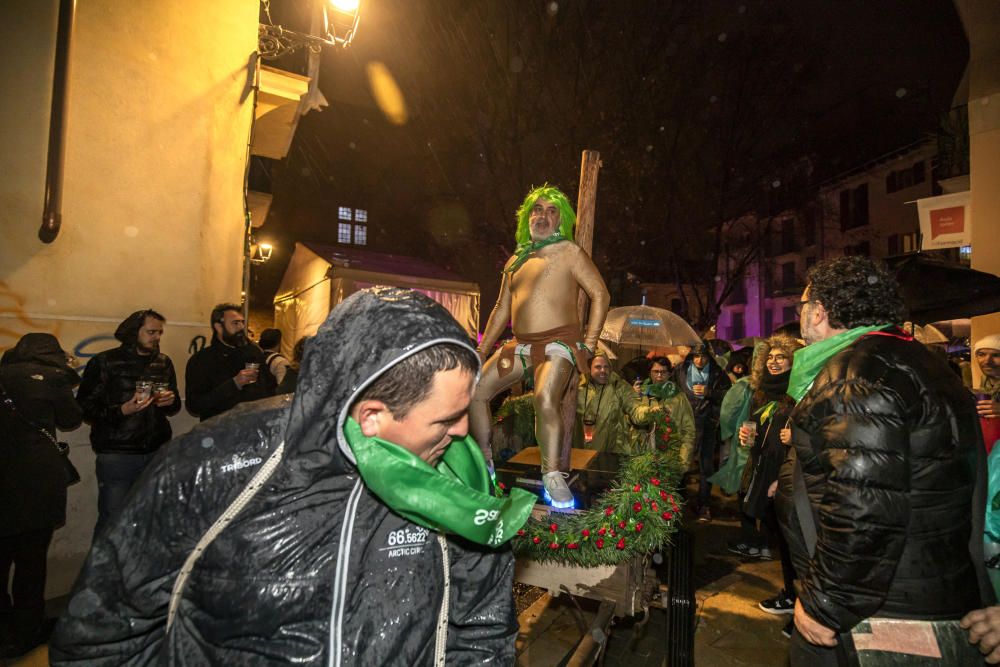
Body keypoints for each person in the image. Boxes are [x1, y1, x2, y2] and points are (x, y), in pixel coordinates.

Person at [50, 287, 535, 665]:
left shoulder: (460, 480)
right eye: (445, 419)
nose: (464, 430)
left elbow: (482, 632)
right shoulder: (217, 466)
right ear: (372, 416)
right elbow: (103, 635)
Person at [775, 256, 992, 665]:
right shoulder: (910, 360)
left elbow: (865, 506)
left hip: (883, 614)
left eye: (802, 307)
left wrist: (826, 602)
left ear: (819, 311)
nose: (800, 317)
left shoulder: (856, 372)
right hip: (920, 592)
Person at [470, 185, 610, 508]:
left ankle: (552, 475)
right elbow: (501, 311)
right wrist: (480, 351)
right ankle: (484, 461)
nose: (542, 216)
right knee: (476, 389)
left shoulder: (570, 251)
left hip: (560, 342)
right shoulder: (515, 261)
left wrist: (588, 344)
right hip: (520, 344)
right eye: (537, 209)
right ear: (527, 217)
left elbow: (600, 294)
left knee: (545, 396)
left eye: (551, 211)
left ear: (561, 219)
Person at [0, 334, 83, 659]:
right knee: (31, 561)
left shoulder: (4, 374)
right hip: (36, 479)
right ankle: (27, 629)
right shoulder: (52, 377)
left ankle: (4, 627)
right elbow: (71, 419)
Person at [76, 310, 180, 534]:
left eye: (160, 333)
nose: (157, 337)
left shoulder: (163, 362)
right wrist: (122, 410)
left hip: (156, 451)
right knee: (113, 519)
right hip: (118, 455)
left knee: (150, 517)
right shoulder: (105, 362)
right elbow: (84, 408)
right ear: (134, 333)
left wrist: (169, 402)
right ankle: (105, 569)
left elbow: (176, 406)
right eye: (151, 332)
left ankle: (140, 567)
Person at [184, 303, 274, 421]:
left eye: (242, 322)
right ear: (218, 327)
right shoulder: (201, 360)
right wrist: (234, 384)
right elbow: (194, 406)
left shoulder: (254, 353)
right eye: (235, 323)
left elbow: (271, 387)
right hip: (218, 432)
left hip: (254, 429)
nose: (242, 327)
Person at [674, 343, 731, 521]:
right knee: (682, 462)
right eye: (696, 356)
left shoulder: (717, 372)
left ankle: (704, 504)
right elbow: (671, 389)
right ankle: (679, 499)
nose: (700, 360)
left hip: (707, 423)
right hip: (685, 423)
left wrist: (710, 392)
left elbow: (727, 395)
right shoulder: (681, 370)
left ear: (709, 357)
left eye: (704, 356)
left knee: (706, 465)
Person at [630, 357, 696, 465]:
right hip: (642, 457)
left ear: (670, 374)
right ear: (649, 373)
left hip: (671, 456)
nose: (659, 376)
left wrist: (683, 462)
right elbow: (628, 421)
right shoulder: (641, 394)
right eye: (656, 372)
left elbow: (688, 431)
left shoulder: (678, 397)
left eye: (663, 372)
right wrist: (634, 397)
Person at [574, 352, 643, 454]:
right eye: (598, 367)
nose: (603, 370)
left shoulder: (618, 386)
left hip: (611, 453)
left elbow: (635, 407)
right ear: (589, 368)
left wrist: (649, 412)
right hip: (580, 451)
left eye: (606, 367)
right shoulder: (578, 387)